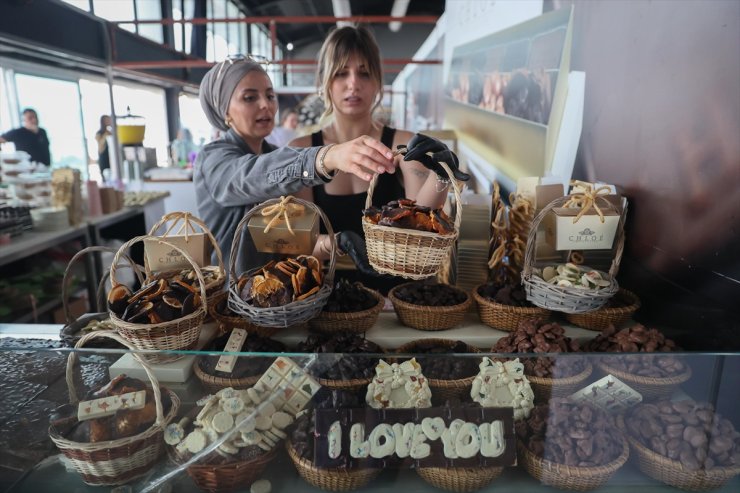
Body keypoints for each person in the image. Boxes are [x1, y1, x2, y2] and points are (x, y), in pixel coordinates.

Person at [289, 26, 469, 292]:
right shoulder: (303, 152)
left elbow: (420, 227)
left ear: (377, 82)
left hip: (395, 293)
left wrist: (441, 174)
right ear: (325, 82)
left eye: (364, 73)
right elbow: (301, 247)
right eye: (341, 73)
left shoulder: (404, 144)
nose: (353, 83)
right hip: (327, 294)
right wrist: (339, 241)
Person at [195, 56, 399, 276]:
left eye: (270, 96)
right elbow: (252, 176)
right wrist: (327, 156)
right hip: (230, 301)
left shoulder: (275, 154)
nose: (265, 105)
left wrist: (334, 243)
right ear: (225, 111)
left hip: (277, 300)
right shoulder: (213, 158)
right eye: (249, 97)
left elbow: (288, 239)